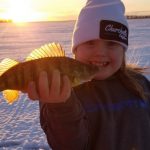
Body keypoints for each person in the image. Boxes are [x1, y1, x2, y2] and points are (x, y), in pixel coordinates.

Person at [26, 0, 150, 149]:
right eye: (90, 42)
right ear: (76, 49)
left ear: (122, 50)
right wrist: (60, 106)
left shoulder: (140, 84)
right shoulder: (61, 89)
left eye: (111, 43)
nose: (100, 52)